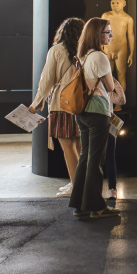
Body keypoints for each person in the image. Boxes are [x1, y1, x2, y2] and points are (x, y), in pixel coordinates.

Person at [68, 17, 120, 219]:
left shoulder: (84, 55)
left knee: (85, 158)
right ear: (97, 35)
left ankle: (80, 205)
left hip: (82, 112)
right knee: (96, 160)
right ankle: (97, 206)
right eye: (107, 32)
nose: (111, 35)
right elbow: (109, 88)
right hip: (98, 112)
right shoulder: (100, 57)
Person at [32, 17, 84, 197]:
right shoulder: (86, 51)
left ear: (62, 32)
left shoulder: (56, 50)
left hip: (61, 104)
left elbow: (46, 80)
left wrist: (36, 102)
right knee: (77, 145)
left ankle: (77, 188)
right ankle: (76, 183)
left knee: (67, 147)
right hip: (81, 104)